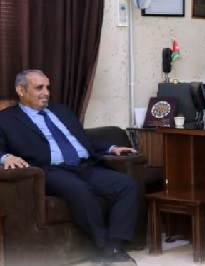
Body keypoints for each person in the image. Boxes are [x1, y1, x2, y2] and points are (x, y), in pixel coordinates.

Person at [0, 70, 140, 265]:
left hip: (86, 166)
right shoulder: (7, 119)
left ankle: (114, 246)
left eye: (47, 87)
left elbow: (82, 140)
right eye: (39, 88)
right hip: (51, 170)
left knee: (127, 185)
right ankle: (103, 246)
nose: (46, 93)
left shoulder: (62, 111)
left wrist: (111, 148)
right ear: (21, 90)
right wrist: (5, 157)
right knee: (79, 190)